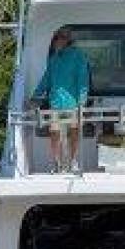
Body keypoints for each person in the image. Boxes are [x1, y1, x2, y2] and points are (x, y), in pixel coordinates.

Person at [32, 26, 90, 172]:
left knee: (74, 132)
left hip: (74, 103)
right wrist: (35, 95)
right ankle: (56, 164)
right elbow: (46, 80)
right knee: (54, 132)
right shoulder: (54, 59)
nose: (55, 42)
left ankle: (73, 161)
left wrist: (82, 102)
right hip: (56, 103)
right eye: (55, 39)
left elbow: (83, 80)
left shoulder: (78, 56)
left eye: (58, 39)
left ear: (66, 40)